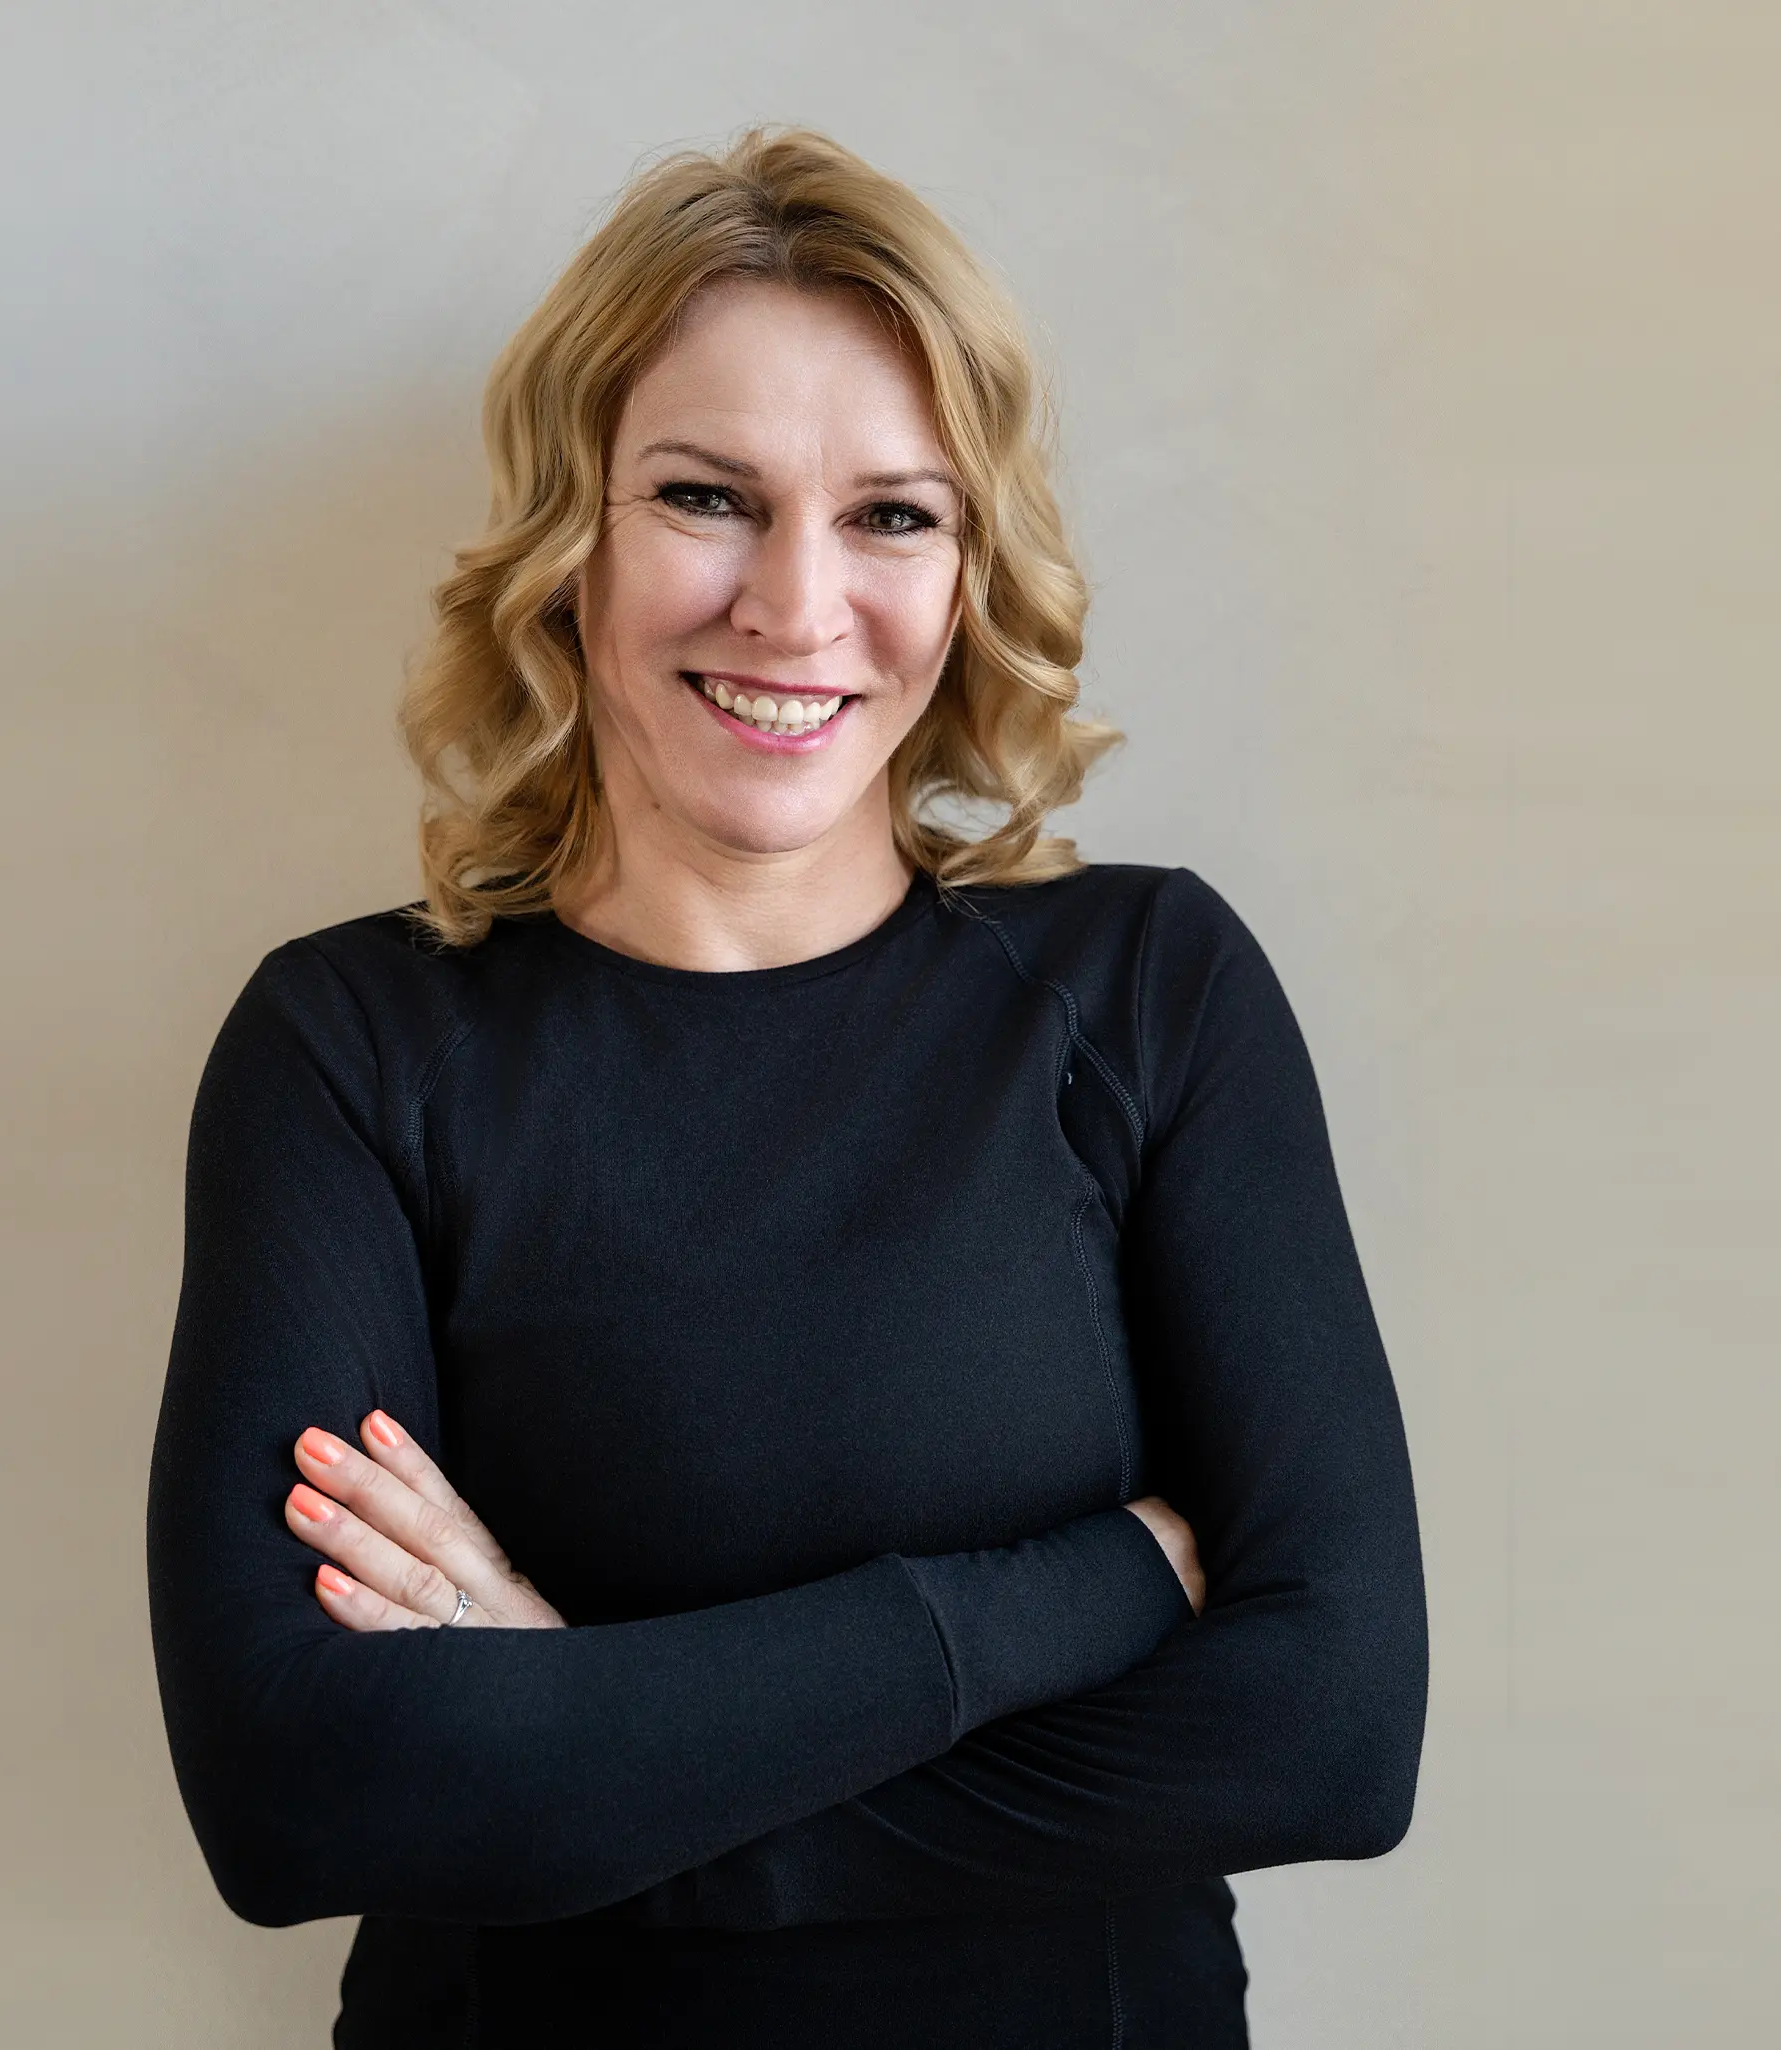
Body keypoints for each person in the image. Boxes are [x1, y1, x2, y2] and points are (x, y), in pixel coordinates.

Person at [146, 127, 1429, 2049]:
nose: (795, 604)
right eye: (705, 497)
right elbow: (298, 1792)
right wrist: (1084, 1590)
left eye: (892, 515)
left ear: (969, 566)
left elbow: (1329, 1734)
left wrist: (581, 1741)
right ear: (569, 537)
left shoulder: (1148, 991)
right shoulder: (350, 1047)